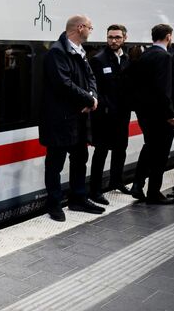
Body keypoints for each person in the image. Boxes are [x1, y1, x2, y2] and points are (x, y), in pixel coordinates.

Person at [39, 15, 104, 222]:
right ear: (80, 27)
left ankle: (78, 198)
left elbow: (91, 78)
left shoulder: (79, 51)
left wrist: (92, 97)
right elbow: (63, 84)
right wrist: (89, 99)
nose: (91, 31)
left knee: (79, 159)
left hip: (79, 118)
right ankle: (54, 203)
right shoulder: (57, 52)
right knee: (55, 163)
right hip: (59, 119)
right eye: (90, 28)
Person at [130, 24, 174, 205]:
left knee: (149, 147)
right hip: (161, 115)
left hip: (146, 114)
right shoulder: (164, 56)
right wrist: (170, 114)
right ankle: (153, 192)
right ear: (168, 37)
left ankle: (137, 184)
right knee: (160, 155)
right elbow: (163, 88)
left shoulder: (145, 55)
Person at [88, 24, 133, 203]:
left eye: (117, 37)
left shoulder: (127, 58)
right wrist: (106, 107)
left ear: (125, 38)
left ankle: (117, 181)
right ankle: (95, 190)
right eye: (110, 37)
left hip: (122, 114)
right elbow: (94, 88)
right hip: (104, 117)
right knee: (101, 153)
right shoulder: (98, 60)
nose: (113, 41)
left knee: (121, 149)